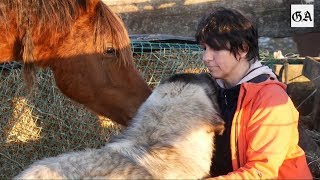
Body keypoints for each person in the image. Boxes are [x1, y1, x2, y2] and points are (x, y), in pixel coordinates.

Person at [195, 7, 312, 179]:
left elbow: (261, 171)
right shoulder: (215, 91)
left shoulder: (270, 100)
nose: (206, 57)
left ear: (242, 49)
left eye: (216, 49)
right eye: (204, 48)